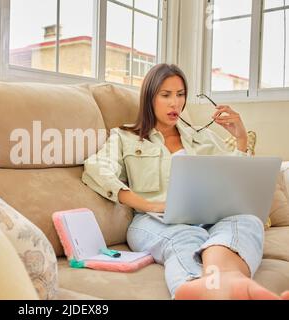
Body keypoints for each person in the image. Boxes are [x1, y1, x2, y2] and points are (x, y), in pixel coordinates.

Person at [82, 63, 289, 300]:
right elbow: (97, 168)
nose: (175, 103)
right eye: (166, 95)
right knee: (187, 237)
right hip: (153, 221)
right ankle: (191, 286)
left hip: (208, 219)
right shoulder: (125, 136)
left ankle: (229, 280)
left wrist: (241, 138)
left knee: (247, 220)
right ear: (150, 98)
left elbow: (235, 177)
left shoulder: (202, 137)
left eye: (180, 95)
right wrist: (146, 205)